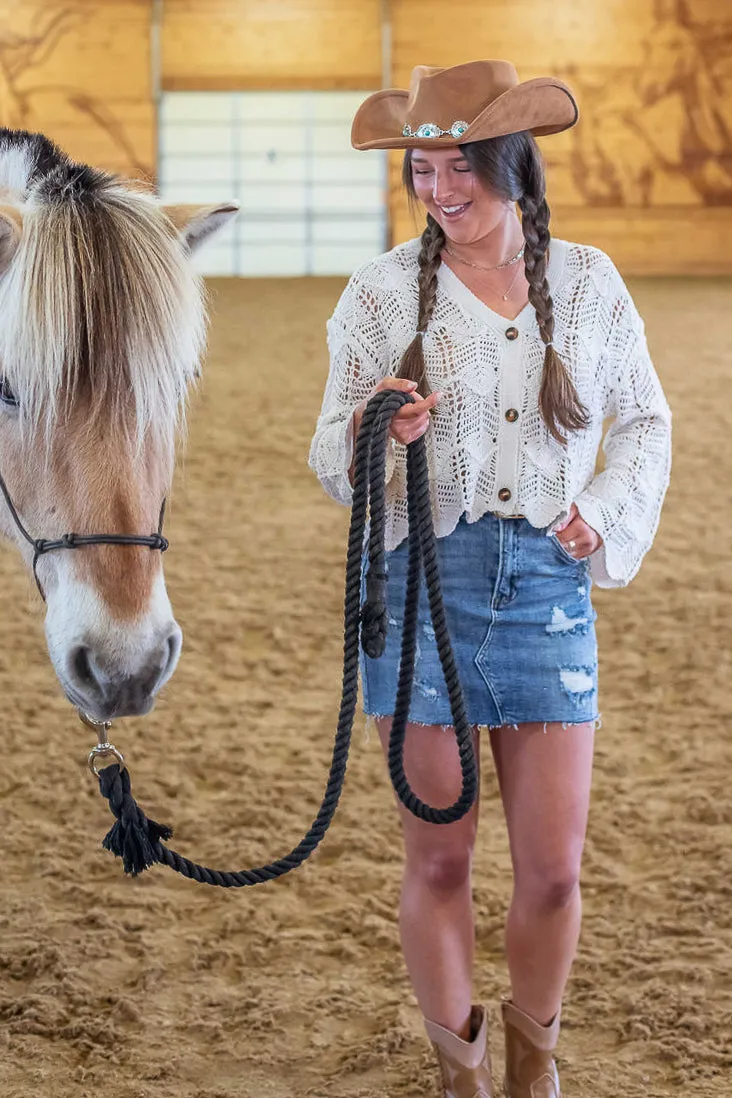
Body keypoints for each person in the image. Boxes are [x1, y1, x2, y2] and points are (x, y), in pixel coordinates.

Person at [308, 60, 672, 1098]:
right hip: (422, 588)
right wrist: (379, 427)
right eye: (424, 170)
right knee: (439, 862)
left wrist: (600, 514)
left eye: (460, 167)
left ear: (511, 161)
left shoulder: (591, 285)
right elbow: (329, 457)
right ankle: (460, 1068)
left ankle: (533, 1055)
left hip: (550, 594)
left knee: (555, 873)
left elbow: (646, 421)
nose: (441, 190)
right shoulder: (380, 294)